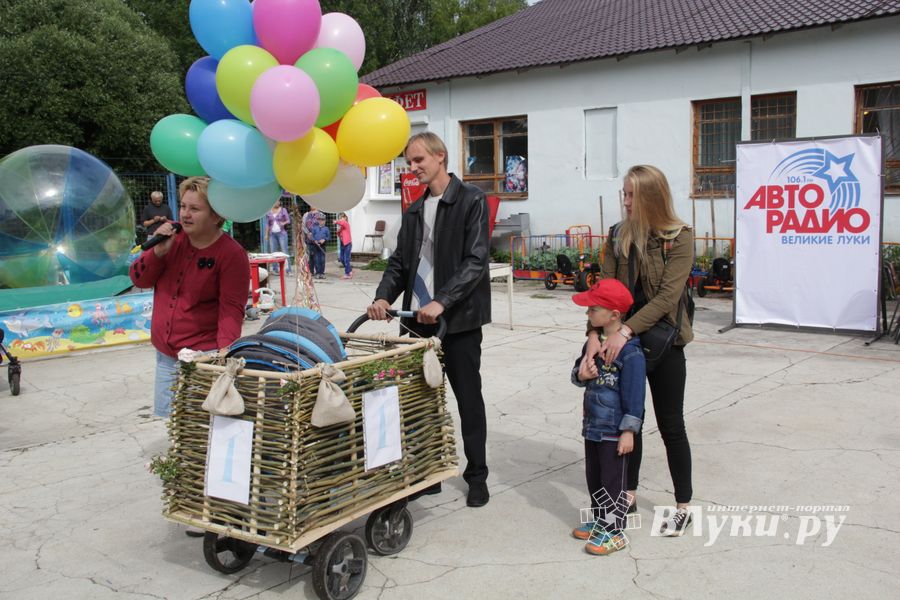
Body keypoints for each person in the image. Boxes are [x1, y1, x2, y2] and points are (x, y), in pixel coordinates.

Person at [366, 132, 492, 508]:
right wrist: (383, 295)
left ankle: (477, 477)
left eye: (418, 160)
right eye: (409, 162)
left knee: (468, 399)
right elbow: (401, 263)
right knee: (419, 401)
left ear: (441, 157)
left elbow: (476, 261)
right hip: (415, 320)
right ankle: (429, 473)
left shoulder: (472, 200)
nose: (413, 168)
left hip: (458, 321)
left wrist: (442, 300)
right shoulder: (414, 210)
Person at [584, 164, 695, 537]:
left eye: (632, 195)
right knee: (627, 423)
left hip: (665, 343)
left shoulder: (679, 238)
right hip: (623, 343)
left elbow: (668, 297)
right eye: (624, 194)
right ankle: (626, 496)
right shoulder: (619, 235)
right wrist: (593, 334)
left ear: (650, 197)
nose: (626, 202)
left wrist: (627, 328)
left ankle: (682, 505)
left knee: (671, 425)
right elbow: (607, 290)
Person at [129, 176, 250, 419]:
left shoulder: (231, 254)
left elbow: (231, 309)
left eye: (195, 209)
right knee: (171, 422)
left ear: (216, 216)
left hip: (202, 355)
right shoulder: (171, 238)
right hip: (166, 353)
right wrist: (158, 252)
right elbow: (138, 279)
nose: (185, 214)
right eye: (183, 206)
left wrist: (223, 356)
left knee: (199, 423)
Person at [569, 279, 645, 556]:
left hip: (614, 430)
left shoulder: (631, 353)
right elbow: (578, 372)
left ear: (614, 315)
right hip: (592, 426)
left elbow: (635, 396)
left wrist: (628, 431)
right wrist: (581, 375)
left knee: (613, 484)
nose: (588, 313)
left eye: (593, 309)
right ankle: (601, 521)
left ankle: (615, 532)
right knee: (595, 478)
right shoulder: (593, 343)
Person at [265, 199, 292, 274]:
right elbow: (267, 224)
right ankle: (275, 269)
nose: (277, 203)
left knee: (284, 251)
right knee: (273, 252)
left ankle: (288, 269)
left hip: (282, 234)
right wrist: (266, 234)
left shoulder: (283, 210)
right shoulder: (269, 211)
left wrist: (283, 223)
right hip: (272, 234)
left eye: (278, 201)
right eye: (275, 201)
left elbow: (288, 220)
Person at [309, 213, 330, 279]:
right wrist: (314, 240)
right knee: (316, 260)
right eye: (320, 220)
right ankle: (318, 273)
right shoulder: (315, 228)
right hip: (315, 246)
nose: (321, 221)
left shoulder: (326, 228)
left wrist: (324, 239)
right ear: (318, 220)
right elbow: (312, 236)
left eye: (323, 220)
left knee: (322, 260)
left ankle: (322, 273)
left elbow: (329, 237)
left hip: (322, 247)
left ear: (325, 221)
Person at [335, 212, 353, 279]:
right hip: (342, 244)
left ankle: (347, 274)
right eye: (339, 218)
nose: (341, 219)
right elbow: (340, 234)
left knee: (346, 259)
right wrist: (338, 232)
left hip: (347, 244)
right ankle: (350, 270)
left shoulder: (346, 224)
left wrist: (336, 221)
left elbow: (342, 223)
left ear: (345, 218)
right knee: (342, 259)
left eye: (342, 217)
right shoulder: (342, 227)